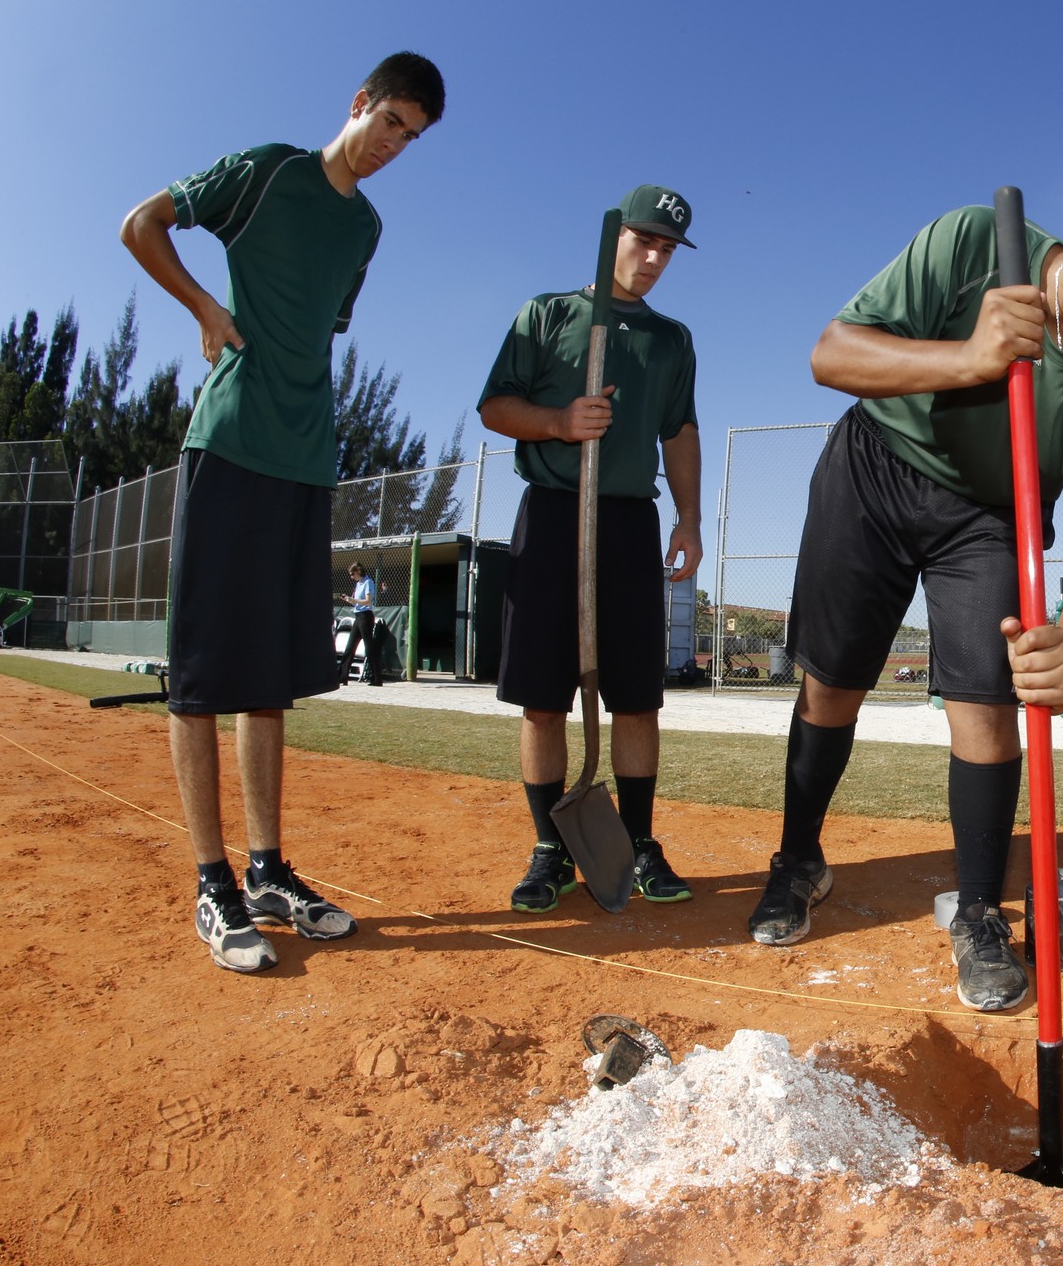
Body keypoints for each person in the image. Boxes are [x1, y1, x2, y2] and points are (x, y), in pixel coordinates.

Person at [751, 201, 1063, 1013]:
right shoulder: (976, 243)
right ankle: (798, 859)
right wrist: (970, 357)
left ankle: (980, 911)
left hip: (991, 516)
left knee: (987, 707)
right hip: (875, 466)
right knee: (831, 685)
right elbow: (830, 354)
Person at [120, 52, 446, 973]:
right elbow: (141, 224)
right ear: (360, 102)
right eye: (390, 123)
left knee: (268, 679)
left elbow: (317, 332)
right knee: (201, 676)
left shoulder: (366, 229)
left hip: (305, 465)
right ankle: (212, 882)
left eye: (411, 138)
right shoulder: (268, 172)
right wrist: (203, 306)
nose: (393, 145)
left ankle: (266, 871)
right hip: (228, 447)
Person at [478, 186, 703, 914]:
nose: (654, 258)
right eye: (644, 240)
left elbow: (680, 431)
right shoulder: (547, 314)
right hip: (552, 513)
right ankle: (550, 847)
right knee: (542, 701)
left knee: (637, 699)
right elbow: (495, 406)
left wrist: (690, 519)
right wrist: (559, 422)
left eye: (667, 249)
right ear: (614, 238)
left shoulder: (672, 339)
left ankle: (636, 842)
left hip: (631, 520)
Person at [337, 560, 382, 685]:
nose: (352, 577)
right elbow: (357, 601)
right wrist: (349, 600)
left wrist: (354, 600)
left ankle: (377, 678)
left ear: (357, 571)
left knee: (369, 647)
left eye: (352, 574)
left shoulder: (368, 582)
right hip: (358, 616)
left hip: (365, 616)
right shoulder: (358, 584)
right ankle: (342, 677)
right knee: (350, 647)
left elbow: (368, 601)